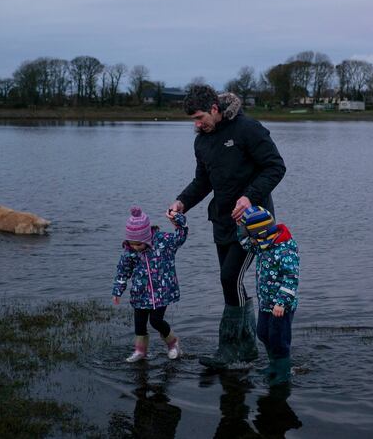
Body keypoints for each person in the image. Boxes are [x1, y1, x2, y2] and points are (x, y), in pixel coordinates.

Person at [168, 85, 286, 369]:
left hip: (254, 223)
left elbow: (275, 167)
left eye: (199, 118)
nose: (197, 125)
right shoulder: (202, 142)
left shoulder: (248, 129)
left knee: (229, 277)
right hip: (221, 221)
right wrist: (181, 202)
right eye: (192, 120)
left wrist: (248, 197)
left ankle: (230, 349)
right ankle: (244, 348)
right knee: (230, 281)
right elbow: (203, 182)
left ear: (214, 109)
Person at [112, 205, 188, 362]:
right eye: (132, 243)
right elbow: (122, 271)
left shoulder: (164, 242)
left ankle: (173, 343)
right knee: (139, 325)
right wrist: (117, 291)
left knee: (155, 321)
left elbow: (181, 236)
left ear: (146, 237)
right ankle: (140, 351)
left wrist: (179, 220)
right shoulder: (130, 251)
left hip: (162, 291)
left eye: (138, 244)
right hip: (140, 293)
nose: (135, 247)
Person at [239, 206, 299, 385]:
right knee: (263, 333)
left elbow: (291, 278)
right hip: (266, 303)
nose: (252, 240)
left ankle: (284, 371)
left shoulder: (286, 248)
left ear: (261, 233)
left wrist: (282, 302)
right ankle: (273, 364)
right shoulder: (263, 245)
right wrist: (240, 225)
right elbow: (245, 242)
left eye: (252, 235)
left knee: (279, 339)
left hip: (281, 306)